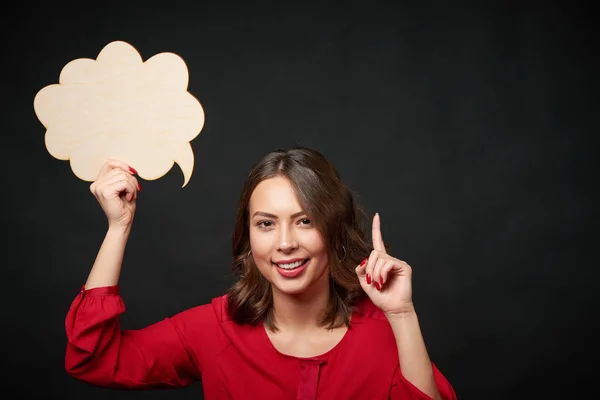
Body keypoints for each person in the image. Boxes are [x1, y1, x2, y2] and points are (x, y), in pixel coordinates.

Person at [65, 147, 457, 400]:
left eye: (305, 221)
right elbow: (95, 359)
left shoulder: (382, 333)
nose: (284, 243)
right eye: (266, 224)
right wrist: (118, 228)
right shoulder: (216, 328)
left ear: (333, 228)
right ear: (247, 235)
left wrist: (402, 316)